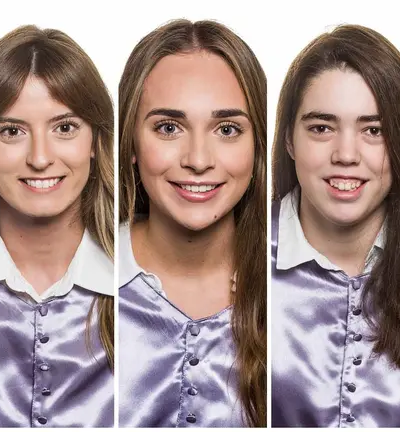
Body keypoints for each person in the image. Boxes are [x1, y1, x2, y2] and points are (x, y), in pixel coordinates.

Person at [118, 19, 267, 427]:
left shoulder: (294, 289)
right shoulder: (82, 278)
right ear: (131, 142)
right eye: (168, 127)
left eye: (227, 129)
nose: (198, 160)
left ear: (258, 149)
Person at [0, 25, 115, 428]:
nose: (40, 157)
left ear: (96, 143)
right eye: (12, 131)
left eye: (64, 128)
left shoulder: (138, 281)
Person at [271, 24, 400, 427]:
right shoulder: (231, 257)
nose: (347, 154)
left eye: (374, 130)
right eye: (322, 128)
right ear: (289, 140)